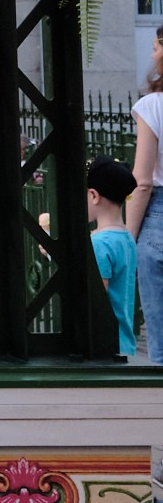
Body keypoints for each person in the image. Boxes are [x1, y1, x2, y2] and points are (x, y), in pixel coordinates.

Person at [93, 153, 142, 362]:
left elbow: (96, 296)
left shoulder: (99, 243)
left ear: (94, 196)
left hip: (103, 342)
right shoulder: (126, 238)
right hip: (124, 340)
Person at [134, 38, 163, 367]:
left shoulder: (153, 105)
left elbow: (142, 181)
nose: (152, 53)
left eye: (156, 46)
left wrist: (128, 234)